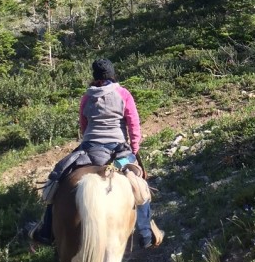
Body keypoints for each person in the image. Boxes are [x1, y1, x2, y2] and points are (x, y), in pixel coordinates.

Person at [27, 57, 163, 249]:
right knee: (140, 185)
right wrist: (134, 148)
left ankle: (46, 230)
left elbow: (84, 126)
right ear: (112, 74)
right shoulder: (123, 94)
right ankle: (145, 233)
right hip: (117, 149)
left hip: (89, 148)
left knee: (56, 179)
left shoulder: (87, 96)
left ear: (95, 76)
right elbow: (133, 124)